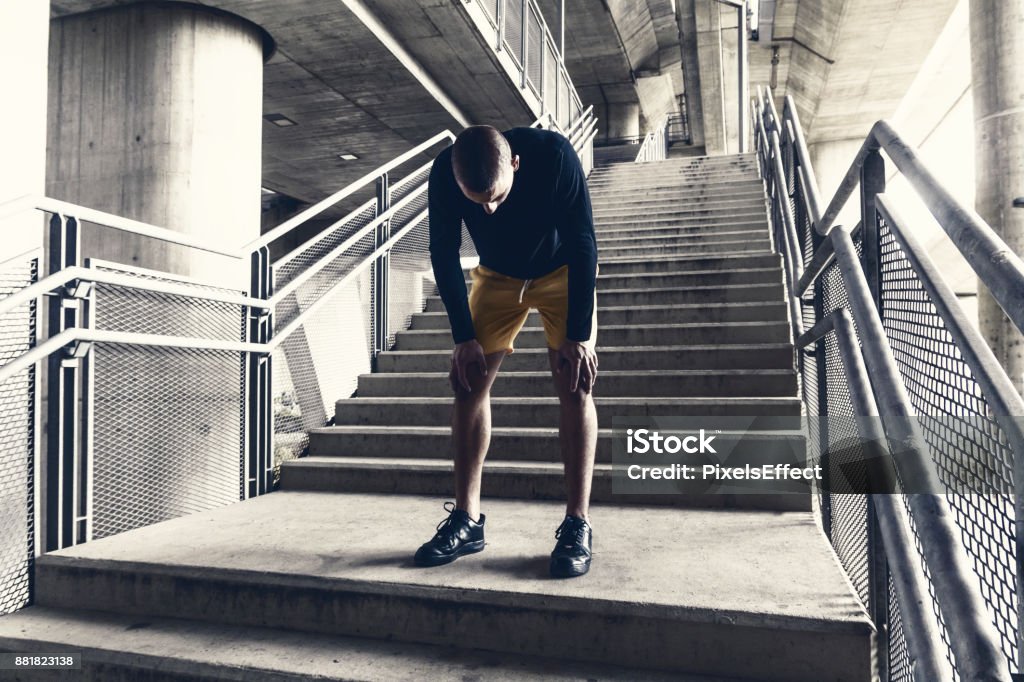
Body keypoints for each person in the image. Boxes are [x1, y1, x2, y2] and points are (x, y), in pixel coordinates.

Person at [415, 124, 599, 578]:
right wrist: (463, 337)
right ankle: (467, 519)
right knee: (467, 384)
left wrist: (577, 334)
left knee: (575, 385)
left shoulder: (555, 156)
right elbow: (443, 251)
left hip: (560, 272)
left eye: (496, 196)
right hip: (497, 277)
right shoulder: (445, 172)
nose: (490, 209)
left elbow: (584, 243)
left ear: (515, 163)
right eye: (478, 202)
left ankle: (577, 523)